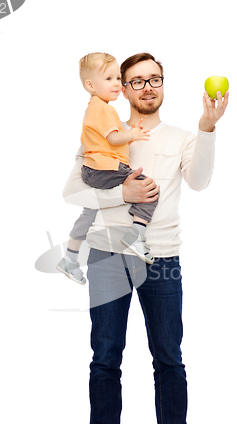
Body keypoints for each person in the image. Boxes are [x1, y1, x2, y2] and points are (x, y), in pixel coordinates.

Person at [62, 53, 229, 424]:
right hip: (106, 256)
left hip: (162, 259)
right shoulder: (105, 131)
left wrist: (207, 127)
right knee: (105, 357)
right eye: (136, 81)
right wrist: (124, 193)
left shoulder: (179, 137)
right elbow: (73, 191)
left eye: (154, 79)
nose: (147, 87)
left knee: (169, 358)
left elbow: (200, 181)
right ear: (124, 87)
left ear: (162, 85)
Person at [56, 52, 158, 286]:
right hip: (105, 168)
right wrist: (131, 134)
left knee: (90, 211)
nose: (116, 84)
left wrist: (130, 137)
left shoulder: (98, 108)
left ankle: (70, 258)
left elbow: (109, 141)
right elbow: (113, 139)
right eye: (110, 79)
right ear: (90, 85)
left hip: (94, 169)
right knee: (148, 190)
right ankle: (136, 235)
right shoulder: (101, 108)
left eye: (118, 78)